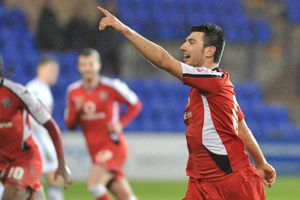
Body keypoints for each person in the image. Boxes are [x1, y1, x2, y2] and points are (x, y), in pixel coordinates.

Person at [96, 6, 276, 200]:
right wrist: (260, 162)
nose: (183, 46)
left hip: (232, 182)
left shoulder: (214, 81)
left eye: (191, 42)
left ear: (209, 51)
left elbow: (163, 60)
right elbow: (240, 126)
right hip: (200, 183)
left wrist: (125, 30)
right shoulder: (208, 88)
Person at [64, 48, 142, 200]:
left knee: (94, 185)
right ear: (79, 67)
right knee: (126, 197)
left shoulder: (111, 86)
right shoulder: (73, 92)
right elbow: (70, 125)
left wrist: (121, 123)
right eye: (83, 64)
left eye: (90, 64)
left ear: (98, 65)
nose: (87, 68)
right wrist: (76, 111)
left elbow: (136, 104)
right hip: (95, 151)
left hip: (113, 146)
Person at [0, 55, 72, 200]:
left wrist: (61, 163)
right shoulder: (36, 87)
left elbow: (50, 125)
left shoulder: (17, 92)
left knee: (11, 194)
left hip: (25, 157)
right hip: (3, 161)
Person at [26, 55, 64, 200]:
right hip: (36, 138)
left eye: (55, 70)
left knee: (51, 176)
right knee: (47, 177)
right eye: (50, 69)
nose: (53, 73)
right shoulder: (35, 88)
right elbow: (29, 115)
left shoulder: (41, 88)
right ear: (40, 69)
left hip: (39, 137)